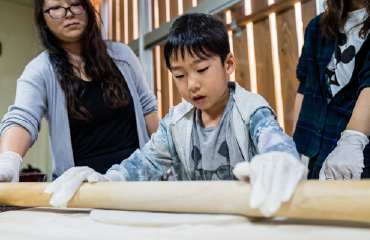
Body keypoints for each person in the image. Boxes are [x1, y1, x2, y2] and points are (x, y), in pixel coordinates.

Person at [45, 13, 307, 217]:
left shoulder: (250, 110)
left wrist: (279, 159)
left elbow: (276, 142)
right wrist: (106, 180)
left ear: (228, 64)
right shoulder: (175, 123)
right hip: (195, 222)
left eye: (201, 69)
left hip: (246, 220)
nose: (191, 84)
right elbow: (143, 163)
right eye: (179, 75)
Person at [0, 0, 159, 181]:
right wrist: (8, 161)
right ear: (43, 18)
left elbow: (148, 109)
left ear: (87, 9)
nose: (68, 13)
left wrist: (164, 163)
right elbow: (22, 118)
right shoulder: (40, 70)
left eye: (75, 3)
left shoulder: (122, 55)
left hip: (139, 182)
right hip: (81, 191)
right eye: (56, 8)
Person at [292, 0, 370, 180]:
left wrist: (352, 141)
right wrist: (293, 148)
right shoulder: (316, 28)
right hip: (317, 153)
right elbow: (305, 86)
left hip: (359, 159)